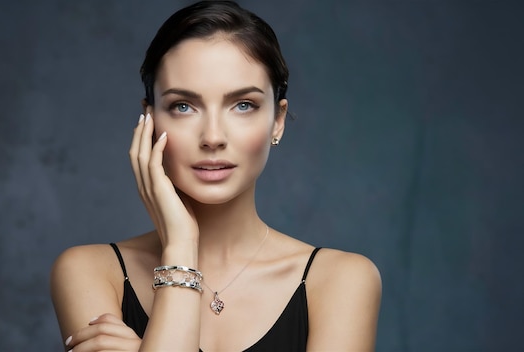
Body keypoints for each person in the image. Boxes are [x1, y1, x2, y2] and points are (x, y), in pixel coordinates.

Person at [50, 1, 381, 351]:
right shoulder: (90, 271)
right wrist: (180, 245)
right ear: (149, 119)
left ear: (278, 121)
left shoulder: (342, 279)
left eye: (243, 105)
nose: (212, 137)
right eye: (183, 106)